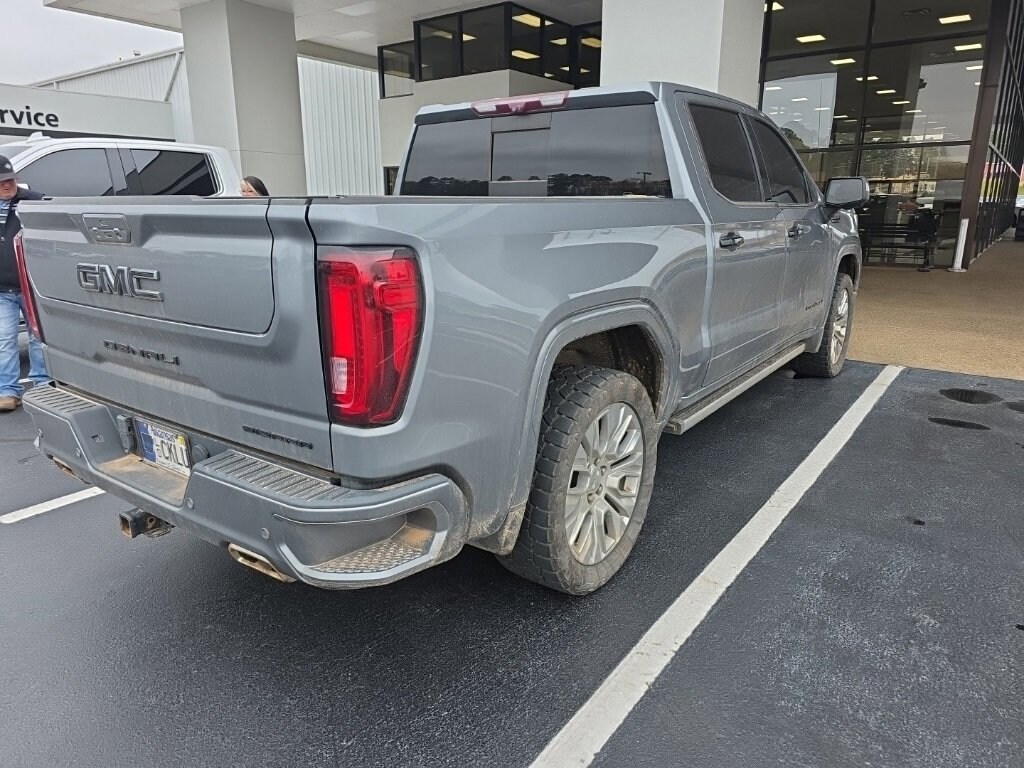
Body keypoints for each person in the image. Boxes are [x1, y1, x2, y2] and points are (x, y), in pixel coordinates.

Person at [0, 155, 47, 412]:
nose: (8, 185)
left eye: (10, 179)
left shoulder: (34, 202)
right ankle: (8, 391)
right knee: (4, 340)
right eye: (2, 182)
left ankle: (43, 386)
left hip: (31, 287)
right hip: (2, 289)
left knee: (38, 338)